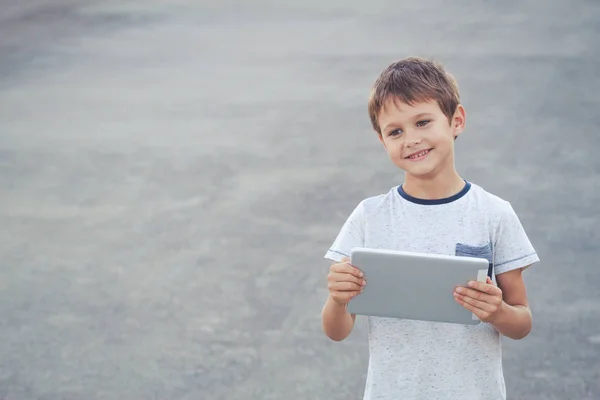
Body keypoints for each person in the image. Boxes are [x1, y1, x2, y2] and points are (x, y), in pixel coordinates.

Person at [321, 57, 540, 400]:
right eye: (395, 131)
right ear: (382, 141)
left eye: (423, 122)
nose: (411, 139)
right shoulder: (370, 216)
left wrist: (497, 312)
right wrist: (337, 299)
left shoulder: (493, 214)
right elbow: (336, 331)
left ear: (457, 121)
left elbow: (522, 323)